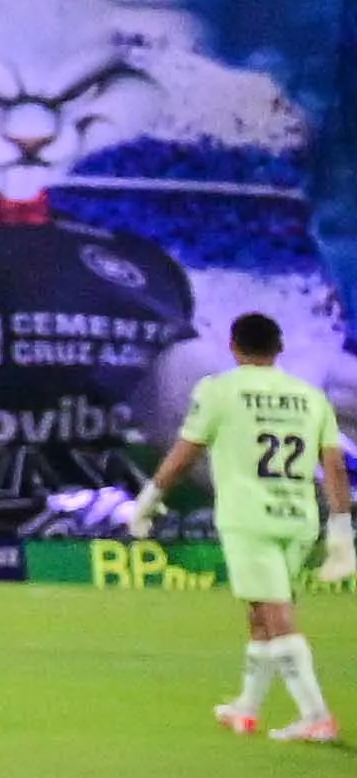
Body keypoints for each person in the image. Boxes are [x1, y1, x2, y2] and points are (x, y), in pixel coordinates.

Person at [136, 315, 340, 739]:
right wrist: (339, 524)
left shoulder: (219, 391)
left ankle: (315, 715)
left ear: (233, 346)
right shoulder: (309, 396)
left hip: (250, 518)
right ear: (279, 347)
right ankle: (246, 707)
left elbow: (185, 453)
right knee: (261, 611)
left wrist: (148, 500)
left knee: (275, 613)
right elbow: (333, 464)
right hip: (299, 517)